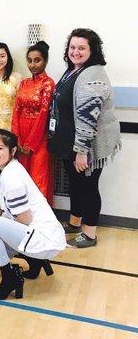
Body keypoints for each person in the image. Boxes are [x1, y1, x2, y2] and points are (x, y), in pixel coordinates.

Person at [48, 28, 121, 248]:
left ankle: (89, 235)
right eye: (72, 47)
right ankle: (74, 223)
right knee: (77, 185)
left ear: (92, 50)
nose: (75, 52)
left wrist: (82, 151)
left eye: (81, 48)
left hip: (88, 146)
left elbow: (89, 117)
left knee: (88, 187)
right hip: (72, 143)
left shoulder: (93, 74)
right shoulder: (73, 70)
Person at [0, 129, 66, 300]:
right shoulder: (12, 169)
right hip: (46, 237)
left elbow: (24, 219)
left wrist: (1, 250)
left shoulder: (11, 178)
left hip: (42, 240)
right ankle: (35, 262)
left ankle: (9, 278)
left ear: (13, 150)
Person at [11, 41, 55, 204]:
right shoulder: (24, 82)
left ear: (45, 61)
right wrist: (17, 139)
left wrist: (30, 144)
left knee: (38, 178)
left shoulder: (48, 83)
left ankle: (41, 219)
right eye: (29, 60)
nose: (32, 64)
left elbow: (44, 114)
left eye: (37, 60)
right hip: (21, 134)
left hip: (39, 137)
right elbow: (16, 110)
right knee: (21, 178)